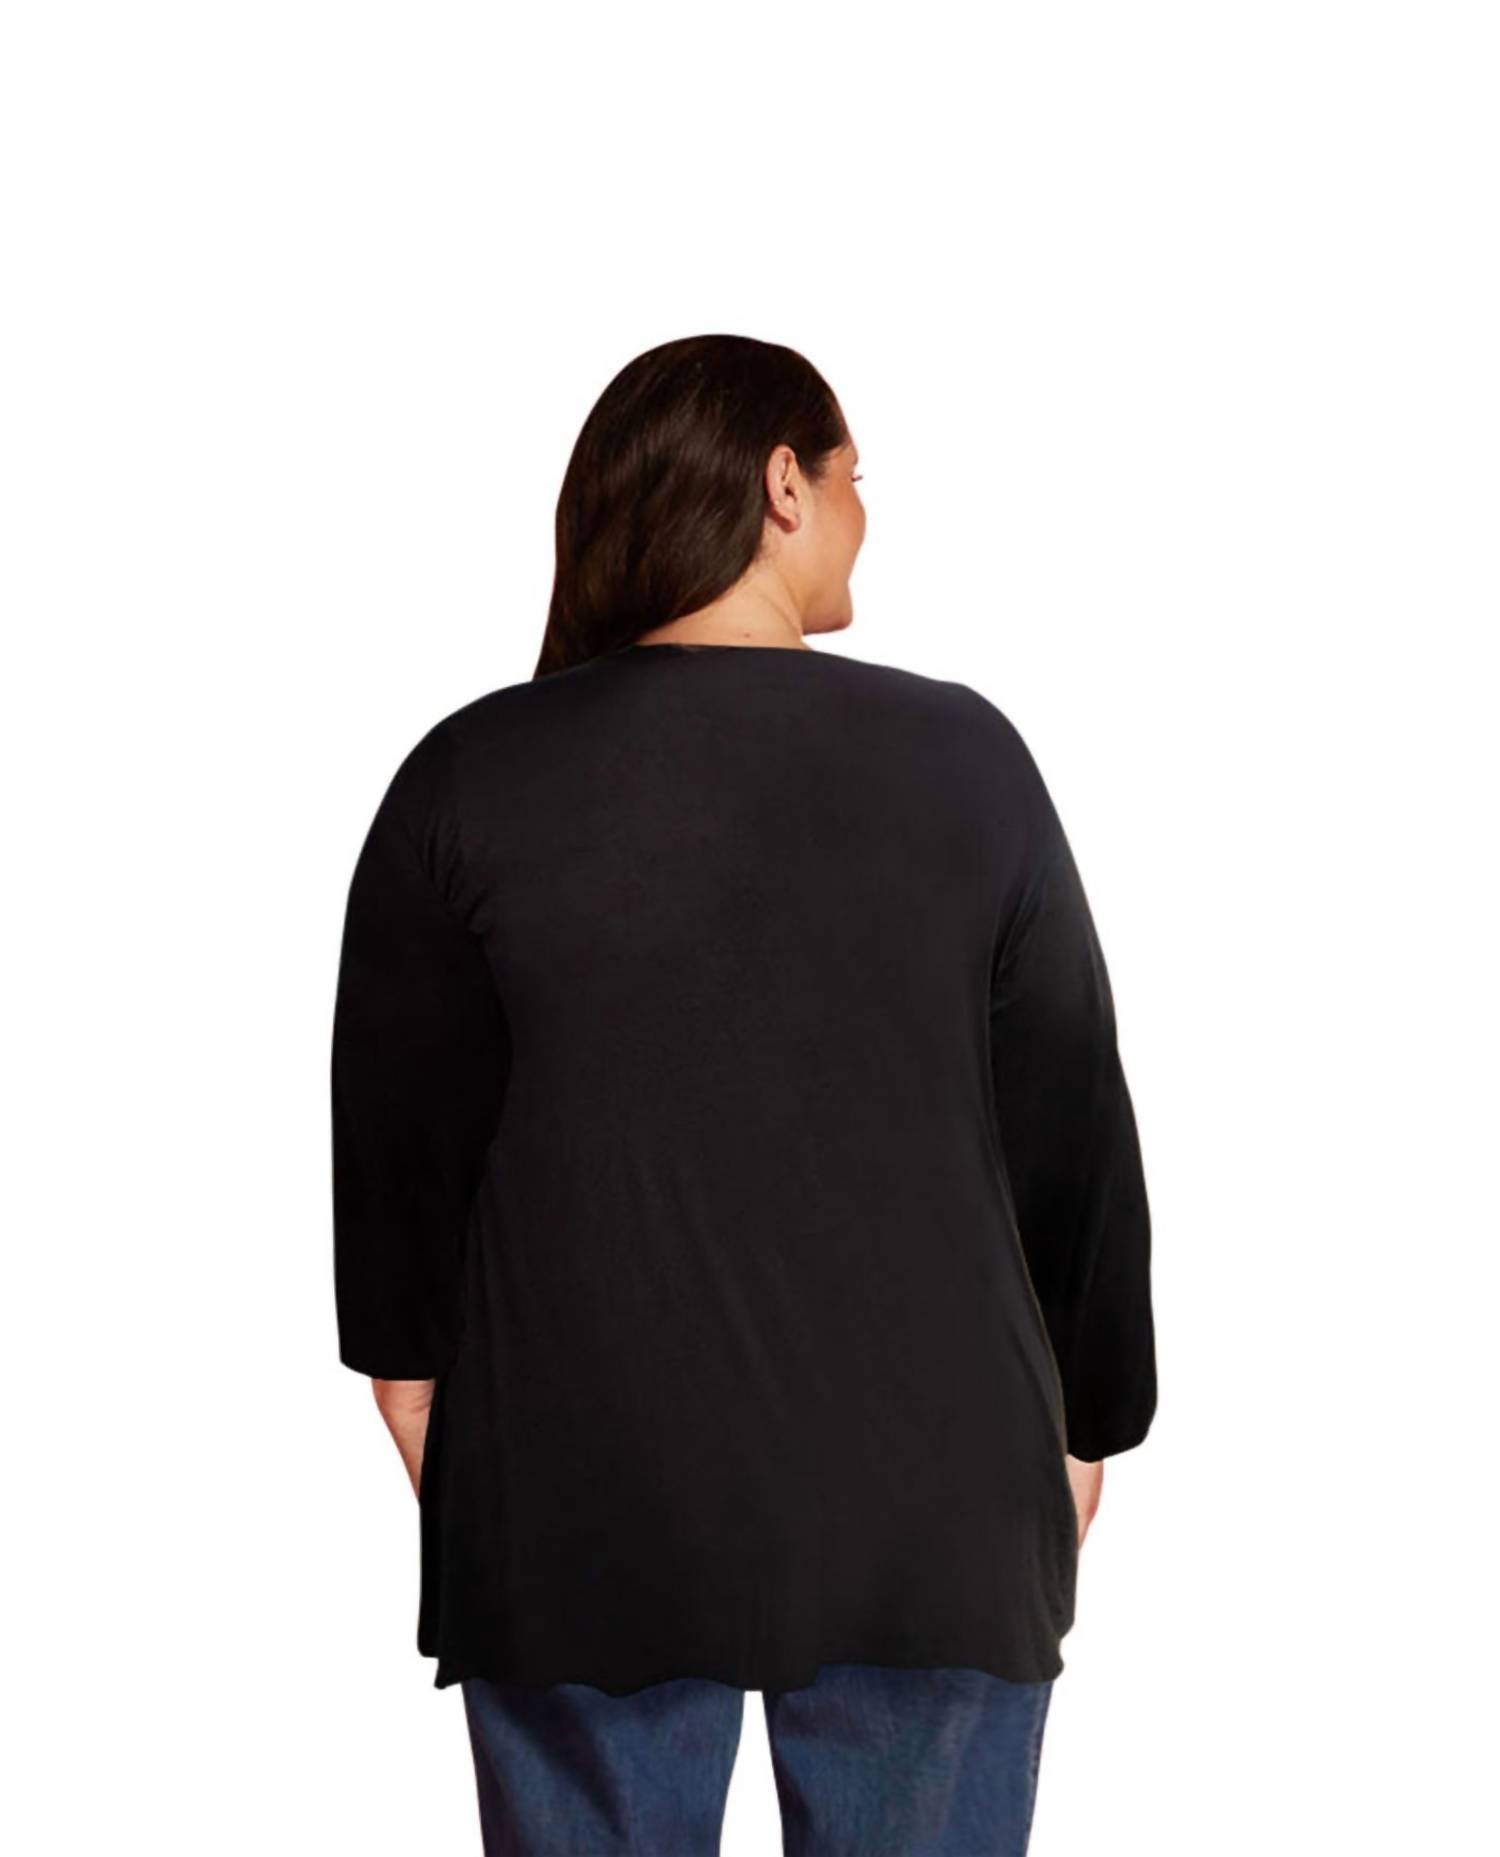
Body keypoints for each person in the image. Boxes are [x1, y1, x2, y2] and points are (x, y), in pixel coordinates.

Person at [329, 333, 1157, 1855]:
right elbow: (1073, 1134)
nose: (864, 515)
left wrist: (441, 1416)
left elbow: (399, 1157)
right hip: (938, 1493)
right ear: (785, 484)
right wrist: (1091, 1425)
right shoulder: (967, 759)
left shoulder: (467, 774)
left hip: (578, 1488)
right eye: (854, 478)